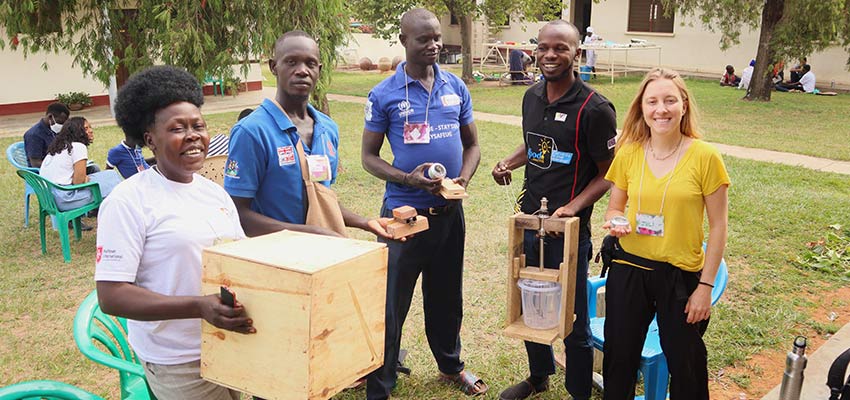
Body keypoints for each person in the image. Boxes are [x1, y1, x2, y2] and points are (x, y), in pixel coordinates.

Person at [95, 65, 254, 400]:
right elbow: (112, 295)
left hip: (229, 342)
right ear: (150, 139)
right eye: (177, 128)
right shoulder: (129, 201)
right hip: (178, 360)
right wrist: (199, 306)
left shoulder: (214, 192)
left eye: (198, 125)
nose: (193, 134)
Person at [361, 8, 485, 399]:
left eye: (436, 38)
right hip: (404, 217)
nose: (433, 45)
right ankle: (380, 382)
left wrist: (463, 178)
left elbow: (473, 145)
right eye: (423, 39)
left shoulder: (455, 87)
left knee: (447, 296)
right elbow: (369, 157)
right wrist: (407, 179)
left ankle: (451, 366)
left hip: (449, 214)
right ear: (404, 42)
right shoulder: (385, 94)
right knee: (391, 302)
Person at [492, 20, 617, 400]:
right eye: (544, 47)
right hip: (529, 222)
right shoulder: (531, 96)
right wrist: (508, 164)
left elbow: (610, 172)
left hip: (569, 232)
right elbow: (536, 144)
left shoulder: (595, 108)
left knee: (573, 320)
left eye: (560, 48)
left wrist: (573, 208)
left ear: (576, 53)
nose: (550, 55)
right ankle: (539, 376)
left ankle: (578, 391)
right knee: (532, 304)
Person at [601, 67, 729, 400]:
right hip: (629, 269)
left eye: (670, 100)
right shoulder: (628, 152)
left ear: (684, 105)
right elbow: (614, 208)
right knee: (619, 360)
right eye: (653, 101)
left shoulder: (706, 157)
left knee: (686, 365)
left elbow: (718, 227)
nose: (662, 109)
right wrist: (616, 221)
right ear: (641, 107)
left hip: (680, 278)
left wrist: (705, 288)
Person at [224, 31, 392, 239]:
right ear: (273, 67)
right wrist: (311, 233)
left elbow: (320, 198)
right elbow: (237, 213)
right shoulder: (252, 132)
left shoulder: (327, 129)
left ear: (319, 70)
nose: (302, 71)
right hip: (272, 259)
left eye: (310, 63)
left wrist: (365, 222)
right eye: (291, 62)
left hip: (319, 256)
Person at [39, 117, 121, 213]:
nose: (91, 131)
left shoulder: (59, 147)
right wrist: (83, 178)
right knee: (113, 179)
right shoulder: (79, 147)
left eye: (90, 127)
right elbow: (79, 182)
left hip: (49, 198)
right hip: (65, 199)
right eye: (86, 129)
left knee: (109, 174)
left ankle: (102, 210)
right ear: (77, 132)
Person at [23, 102, 70, 168]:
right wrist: (60, 167)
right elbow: (35, 163)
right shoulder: (34, 135)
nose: (61, 126)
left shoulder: (53, 130)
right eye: (60, 123)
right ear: (50, 117)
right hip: (44, 171)